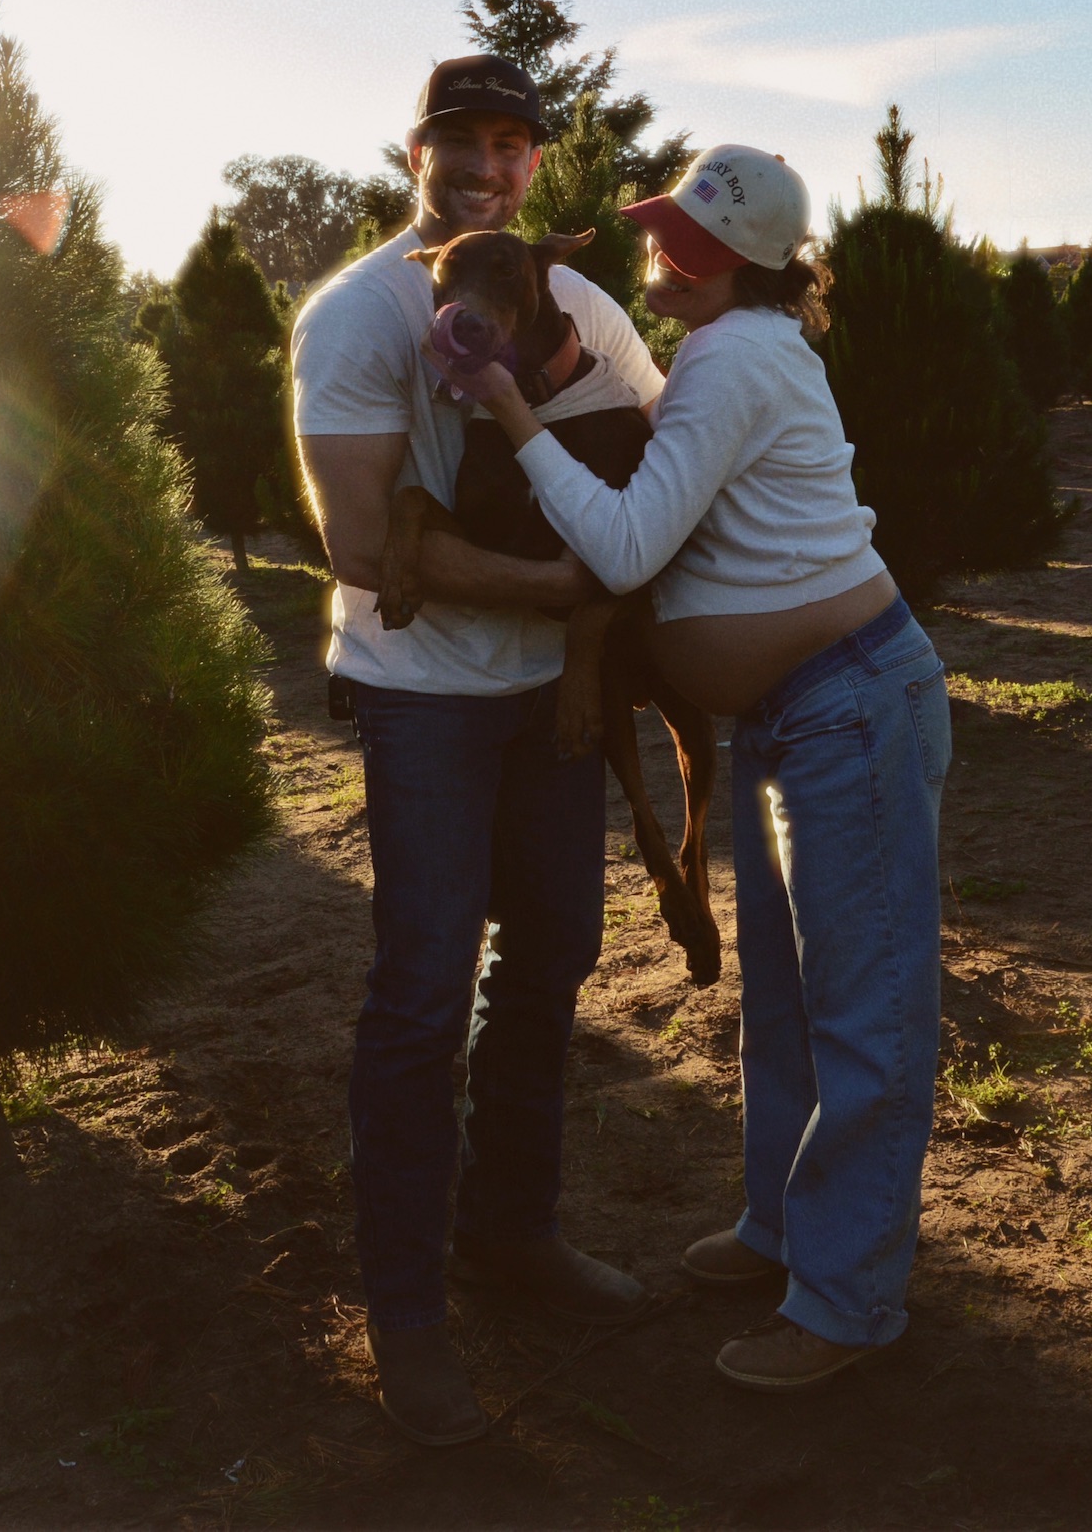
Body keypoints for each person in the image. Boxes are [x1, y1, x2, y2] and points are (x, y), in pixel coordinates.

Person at [453, 144, 951, 1392]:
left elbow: (623, 546)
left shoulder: (732, 359)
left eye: (692, 237)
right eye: (666, 224)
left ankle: (846, 1305)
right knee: (784, 1003)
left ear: (750, 265)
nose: (664, 247)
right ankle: (782, 1230)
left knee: (864, 1018)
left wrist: (510, 412)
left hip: (849, 707)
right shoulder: (729, 354)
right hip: (797, 716)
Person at [291, 56, 665, 1446]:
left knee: (558, 948)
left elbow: (660, 453)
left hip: (547, 702)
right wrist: (568, 593)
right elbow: (359, 541)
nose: (490, 164)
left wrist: (608, 605)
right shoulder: (361, 314)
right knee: (422, 985)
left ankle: (510, 1232)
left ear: (533, 168)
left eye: (513, 144)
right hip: (426, 695)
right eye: (464, 141)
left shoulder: (587, 308)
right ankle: (407, 1311)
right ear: (416, 154)